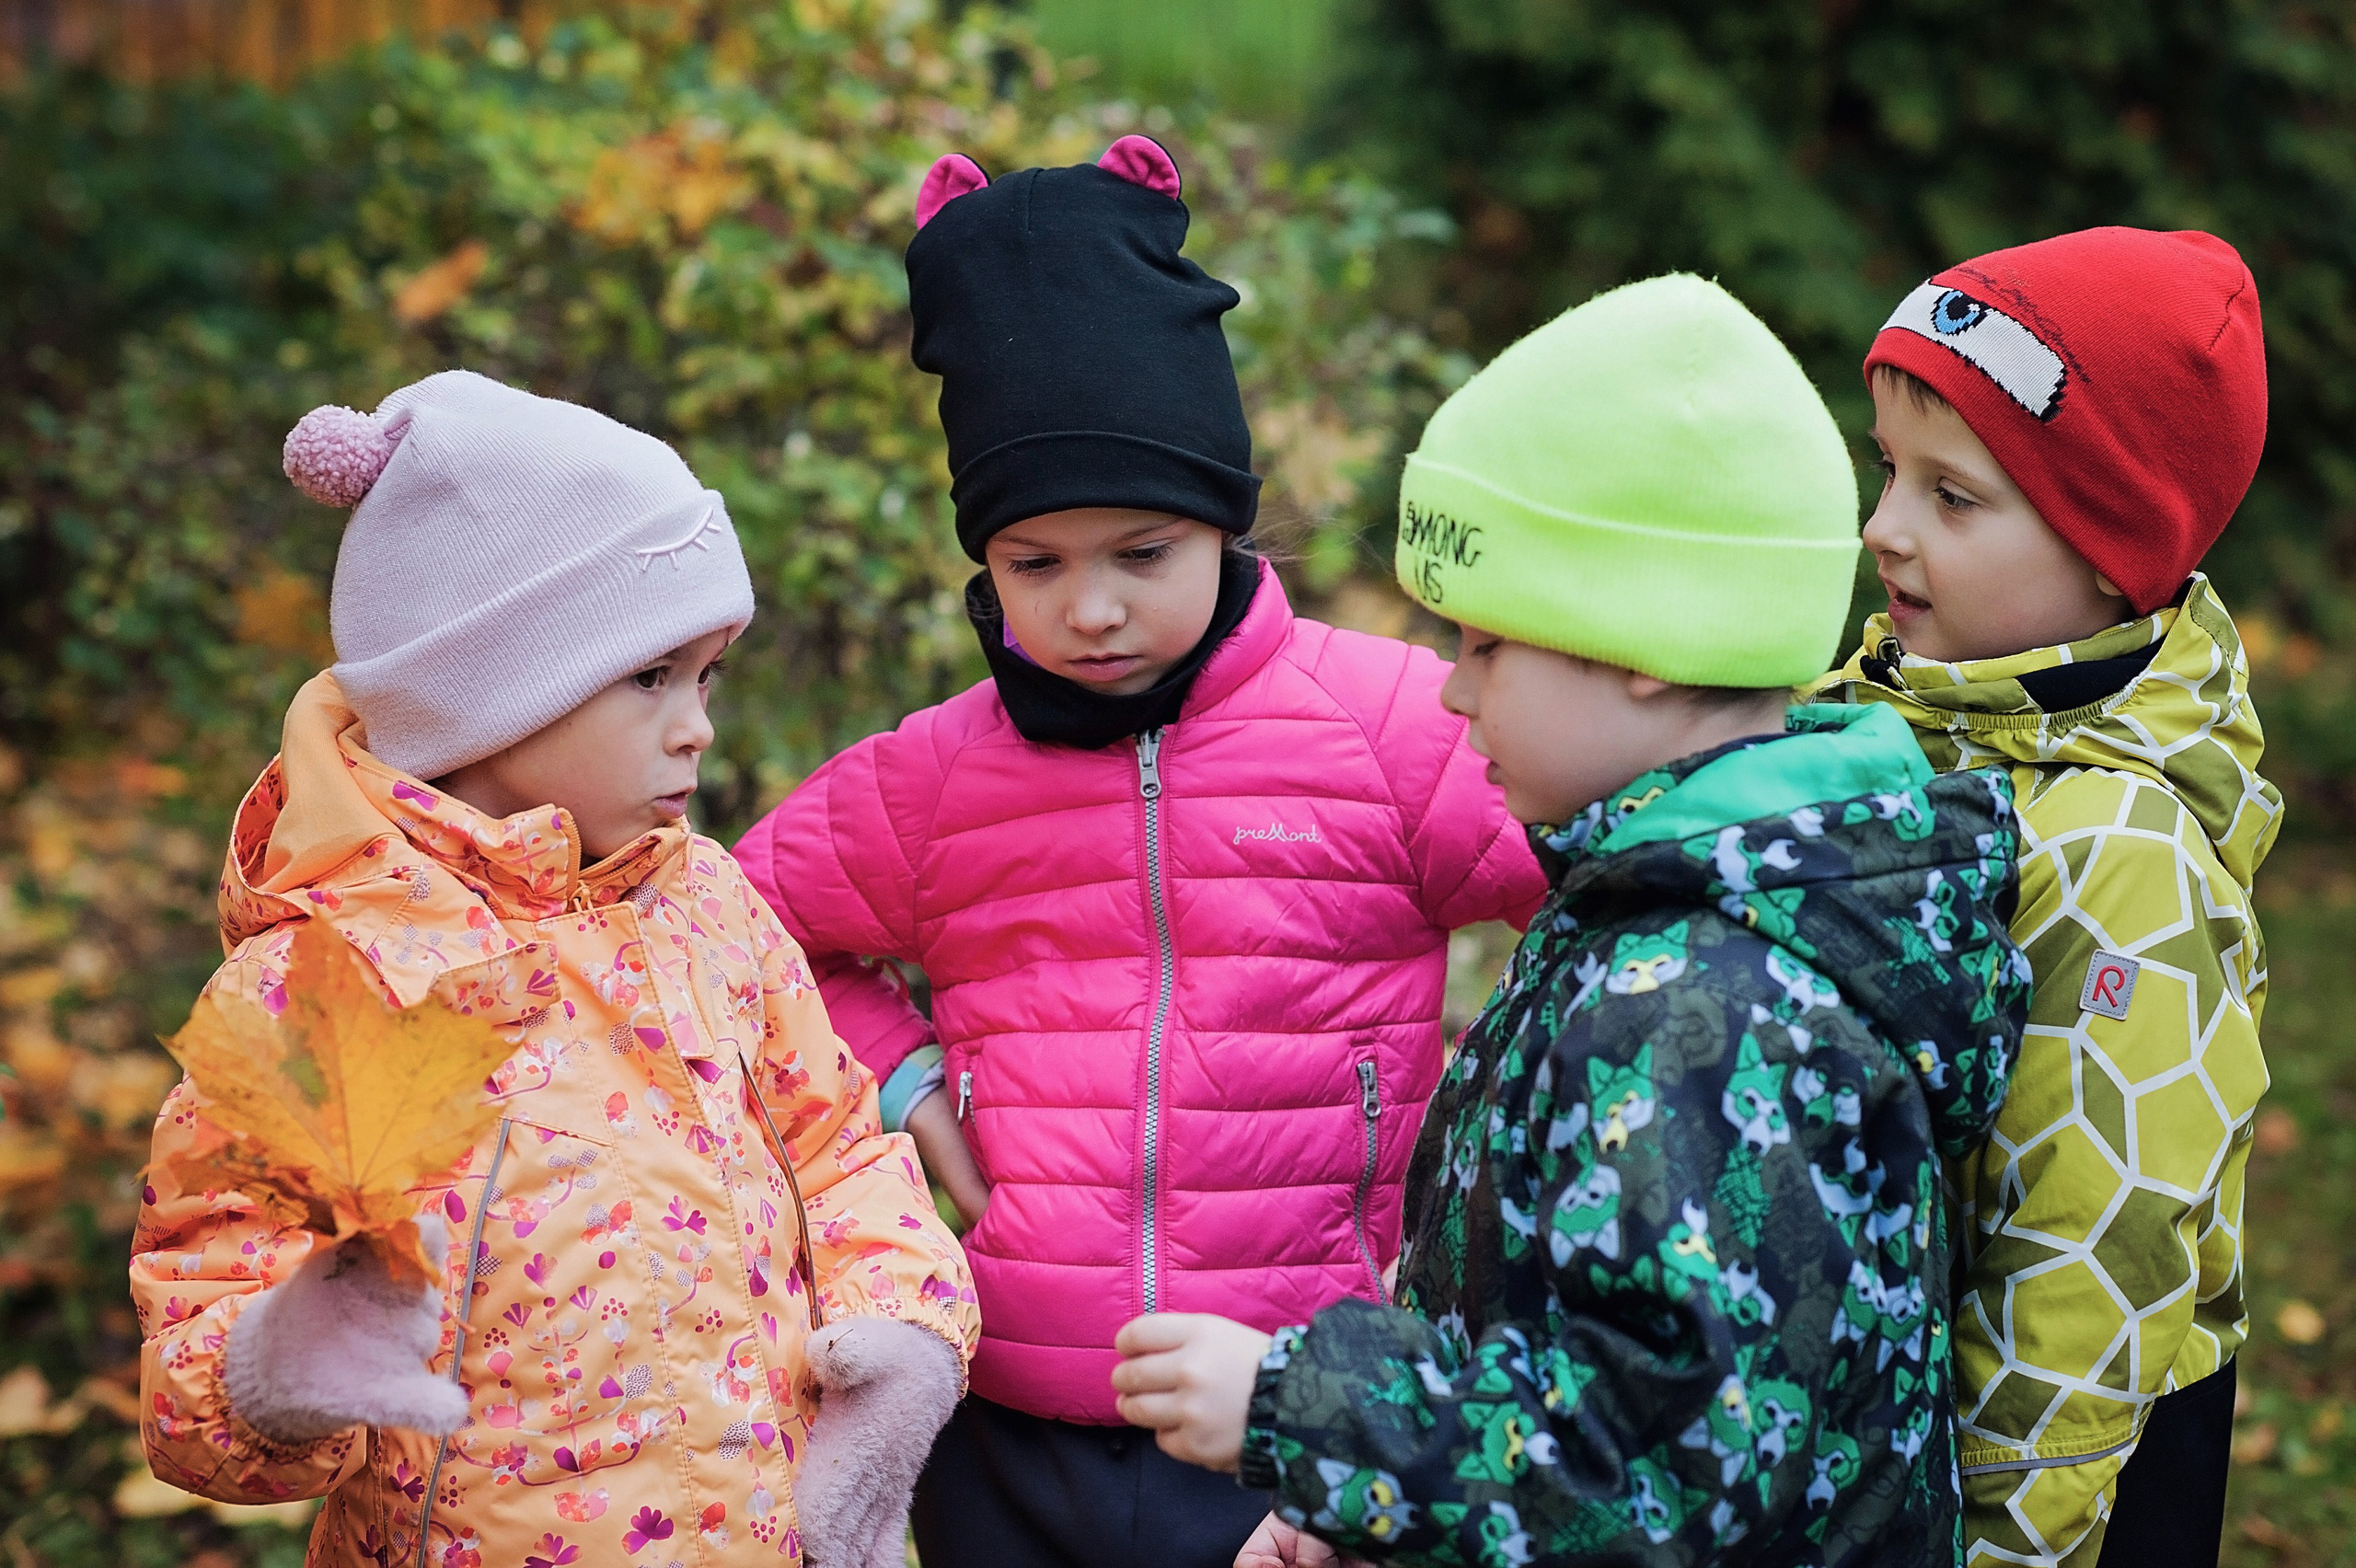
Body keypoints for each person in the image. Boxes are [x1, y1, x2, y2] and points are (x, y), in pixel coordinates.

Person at [1111, 274, 2033, 1565]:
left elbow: (1660, 1471)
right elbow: (1553, 1330)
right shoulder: (1685, 899)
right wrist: (1366, 1518)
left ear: (1646, 642)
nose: (1449, 693)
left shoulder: (1709, 1007)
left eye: (1487, 646)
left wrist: (1306, 1417)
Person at [731, 136, 1546, 1568]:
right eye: (1035, 564)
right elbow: (739, 926)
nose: (1091, 608)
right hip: (1005, 1431)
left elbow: (1612, 873)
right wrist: (908, 1082)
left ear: (1225, 525)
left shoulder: (1394, 730)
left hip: (1289, 1421)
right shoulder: (937, 780)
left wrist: (1508, 1098)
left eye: (1142, 551)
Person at [132, 371, 978, 1568]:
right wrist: (278, 1367)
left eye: (707, 675)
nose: (699, 726)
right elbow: (201, 1328)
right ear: (484, 696)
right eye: (650, 676)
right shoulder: (321, 984)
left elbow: (840, 1151)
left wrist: (899, 1337)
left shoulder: (708, 910)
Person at [1809, 227, 2279, 1566]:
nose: (1884, 527)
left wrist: (2003, 1544)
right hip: (1890, 1424)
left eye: (1953, 498)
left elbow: (2090, 1270)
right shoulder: (1885, 722)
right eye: (1889, 469)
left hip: (2057, 1479)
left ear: (2107, 560)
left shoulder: (2118, 858)